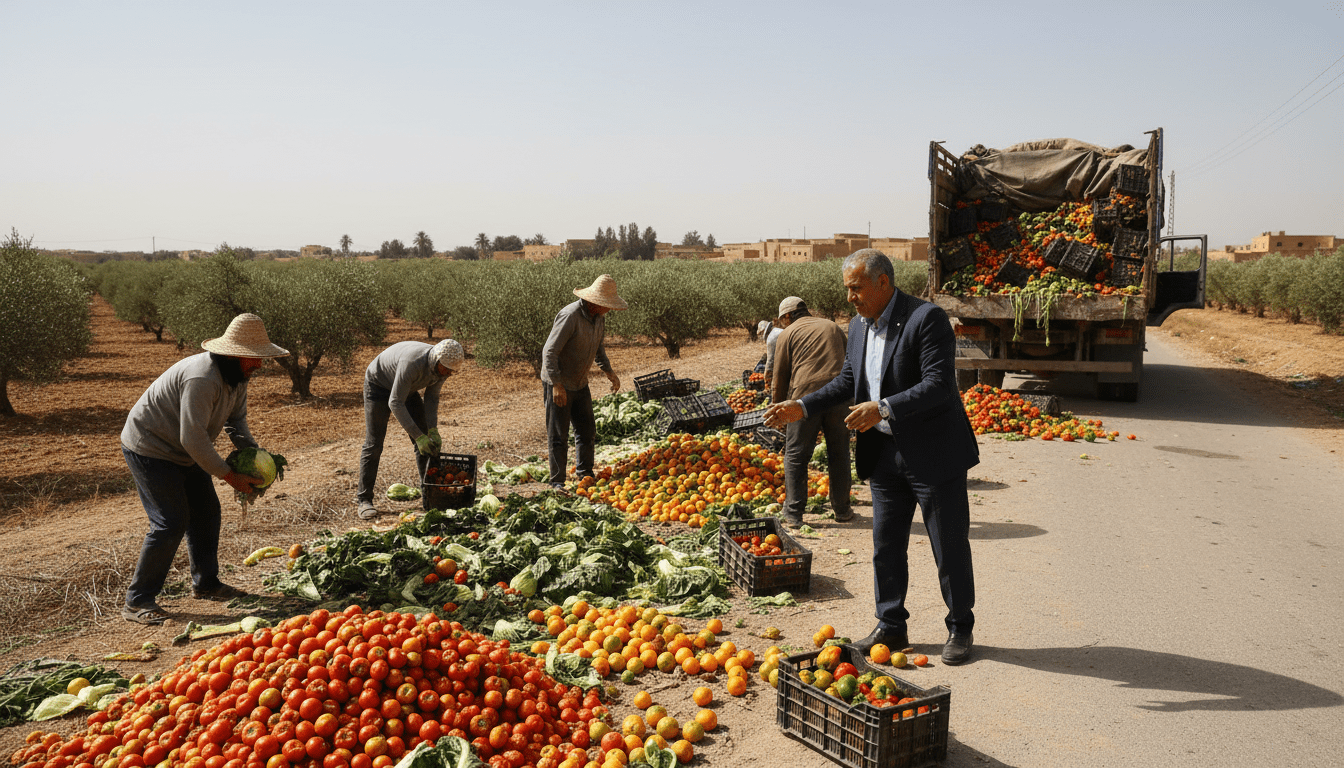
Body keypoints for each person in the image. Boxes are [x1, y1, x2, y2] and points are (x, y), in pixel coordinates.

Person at [765, 249, 980, 665]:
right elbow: (848, 381)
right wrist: (803, 406)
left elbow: (938, 385)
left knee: (948, 546)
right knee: (886, 545)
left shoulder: (926, 319)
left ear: (883, 282)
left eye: (856, 288)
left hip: (933, 452)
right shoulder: (859, 326)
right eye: (847, 289)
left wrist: (882, 408)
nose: (850, 298)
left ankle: (959, 626)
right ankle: (891, 624)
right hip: (883, 454)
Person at [119, 313, 289, 625]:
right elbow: (193, 437)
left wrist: (254, 455)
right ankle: (138, 600)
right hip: (151, 447)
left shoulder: (236, 378)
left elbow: (236, 423)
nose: (259, 364)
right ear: (233, 355)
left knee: (207, 512)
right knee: (170, 522)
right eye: (253, 358)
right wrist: (230, 475)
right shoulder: (202, 378)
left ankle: (206, 584)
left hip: (185, 450)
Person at [357, 338, 464, 520]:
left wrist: (432, 430)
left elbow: (432, 398)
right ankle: (364, 500)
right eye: (446, 369)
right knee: (374, 444)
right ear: (436, 360)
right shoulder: (412, 363)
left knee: (427, 442)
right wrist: (418, 436)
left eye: (451, 371)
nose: (447, 374)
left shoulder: (443, 368)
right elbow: (395, 402)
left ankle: (431, 496)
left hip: (406, 388)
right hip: (378, 385)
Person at [769, 296, 853, 528]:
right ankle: (842, 510)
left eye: (782, 319)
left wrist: (778, 410)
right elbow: (850, 363)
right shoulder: (832, 326)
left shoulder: (787, 333)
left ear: (788, 316)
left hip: (804, 398)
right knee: (839, 452)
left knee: (796, 455)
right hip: (839, 396)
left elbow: (780, 376)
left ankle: (793, 513)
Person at [541, 274, 627, 487]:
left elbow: (598, 347)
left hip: (580, 382)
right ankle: (557, 483)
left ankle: (585, 474)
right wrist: (557, 385)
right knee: (559, 435)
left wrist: (609, 371)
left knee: (587, 431)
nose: (609, 309)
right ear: (595, 302)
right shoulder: (570, 316)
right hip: (559, 382)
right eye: (607, 305)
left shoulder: (599, 318)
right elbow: (549, 352)